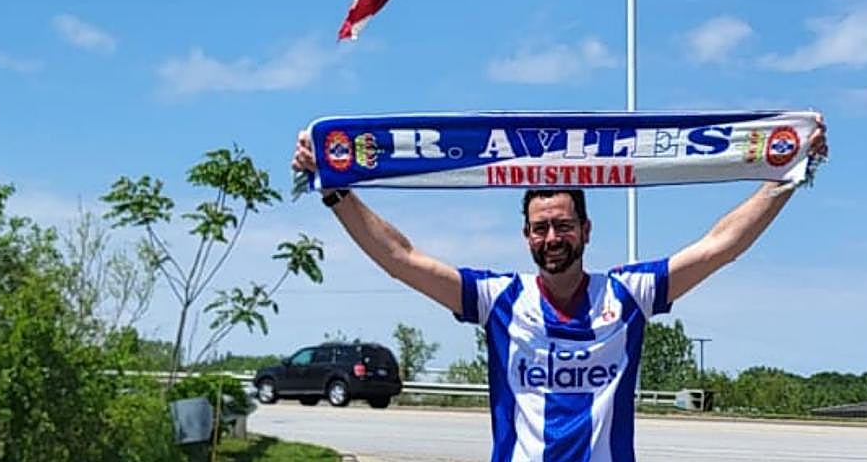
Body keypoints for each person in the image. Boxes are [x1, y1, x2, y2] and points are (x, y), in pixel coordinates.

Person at [292, 119, 826, 462]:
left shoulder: (630, 294)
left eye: (564, 225)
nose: (553, 238)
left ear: (586, 231)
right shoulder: (497, 299)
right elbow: (400, 259)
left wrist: (785, 176)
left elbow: (720, 246)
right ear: (526, 236)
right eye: (541, 227)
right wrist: (337, 192)